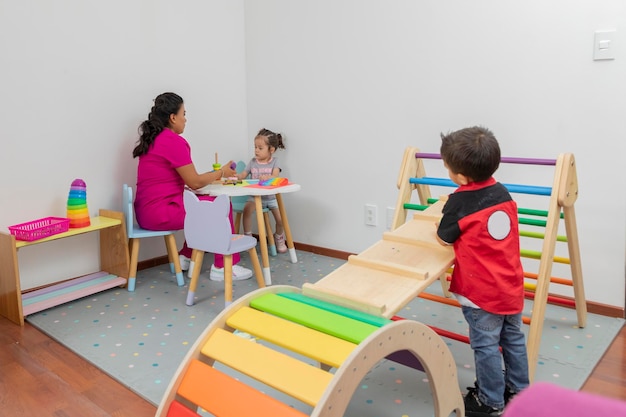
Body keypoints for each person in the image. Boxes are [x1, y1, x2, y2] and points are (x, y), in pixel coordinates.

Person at [435, 126, 529, 417]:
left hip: (481, 293)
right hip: (510, 285)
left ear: (461, 177)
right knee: (513, 339)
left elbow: (443, 237)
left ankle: (490, 401)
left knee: (486, 346)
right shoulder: (502, 192)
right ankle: (520, 392)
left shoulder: (460, 201)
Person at [132, 92, 253, 281]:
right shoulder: (173, 142)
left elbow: (185, 180)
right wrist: (221, 172)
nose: (185, 120)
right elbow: (194, 181)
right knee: (219, 205)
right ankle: (224, 266)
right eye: (183, 114)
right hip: (160, 213)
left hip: (145, 212)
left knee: (198, 204)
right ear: (173, 118)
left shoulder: (153, 139)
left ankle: (186, 257)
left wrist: (212, 177)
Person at [236, 128, 288, 253]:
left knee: (281, 220)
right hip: (255, 197)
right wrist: (238, 176)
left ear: (271, 150)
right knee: (247, 210)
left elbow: (276, 175)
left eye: (260, 148)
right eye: (255, 147)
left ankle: (279, 238)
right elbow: (244, 173)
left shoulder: (275, 162)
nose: (256, 151)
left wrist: (268, 177)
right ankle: (248, 237)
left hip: (270, 198)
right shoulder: (253, 162)